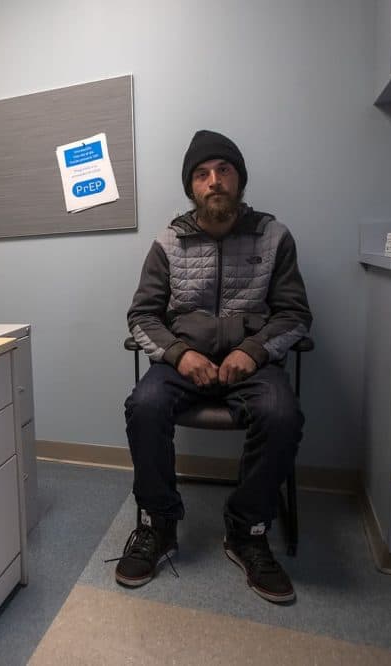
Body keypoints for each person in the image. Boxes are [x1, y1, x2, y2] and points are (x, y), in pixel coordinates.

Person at [116, 130, 312, 603]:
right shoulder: (168, 241)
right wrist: (180, 354)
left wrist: (254, 351)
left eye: (224, 170)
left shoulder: (274, 236)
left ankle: (246, 530)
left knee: (283, 415)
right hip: (187, 361)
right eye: (203, 175)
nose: (214, 181)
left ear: (239, 180)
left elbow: (294, 315)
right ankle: (158, 524)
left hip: (253, 363)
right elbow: (141, 315)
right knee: (144, 404)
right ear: (191, 188)